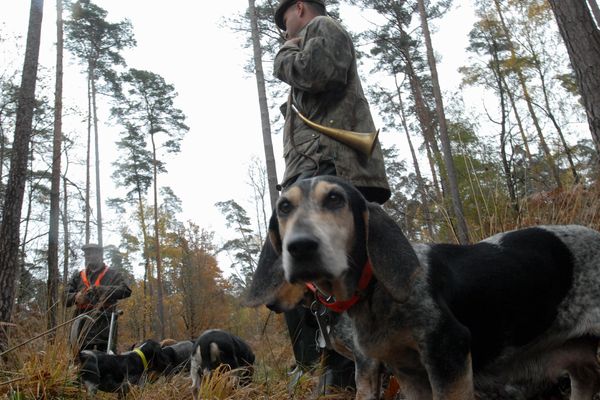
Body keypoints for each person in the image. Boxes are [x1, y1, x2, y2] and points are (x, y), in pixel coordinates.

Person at [272, 0, 391, 393]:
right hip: (318, 171)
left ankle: (347, 367)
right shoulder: (313, 35)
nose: (282, 29)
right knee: (315, 277)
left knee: (298, 269)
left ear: (300, 8)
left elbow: (318, 71)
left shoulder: (322, 27)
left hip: (331, 173)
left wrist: (285, 54)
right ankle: (332, 366)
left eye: (283, 20)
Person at [66, 243, 132, 353]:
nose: (90, 256)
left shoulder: (113, 274)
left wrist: (100, 290)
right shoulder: (78, 276)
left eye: (93, 253)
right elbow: (64, 297)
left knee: (106, 361)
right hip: (81, 326)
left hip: (105, 325)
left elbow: (126, 291)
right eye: (87, 254)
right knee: (79, 360)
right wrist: (75, 297)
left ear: (101, 255)